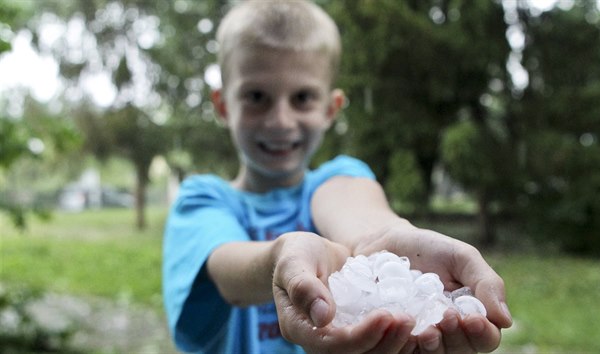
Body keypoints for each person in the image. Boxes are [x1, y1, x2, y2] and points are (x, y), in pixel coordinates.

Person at [162, 0, 513, 353]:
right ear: (223, 105)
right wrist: (281, 258)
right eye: (256, 97)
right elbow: (229, 273)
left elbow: (359, 213)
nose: (280, 120)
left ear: (331, 109)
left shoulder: (340, 177)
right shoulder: (201, 200)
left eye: (302, 98)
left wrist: (382, 240)